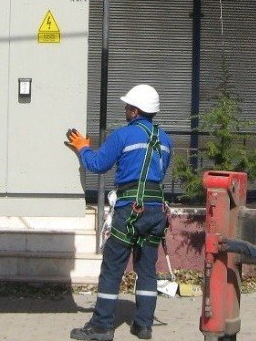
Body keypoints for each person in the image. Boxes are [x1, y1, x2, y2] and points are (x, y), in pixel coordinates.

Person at [65, 84, 172, 341]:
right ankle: (143, 325)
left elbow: (98, 164)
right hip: (156, 211)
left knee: (112, 268)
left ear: (135, 111)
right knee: (146, 268)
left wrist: (82, 147)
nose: (125, 110)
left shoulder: (123, 136)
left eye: (127, 106)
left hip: (130, 210)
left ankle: (102, 326)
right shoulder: (166, 140)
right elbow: (158, 174)